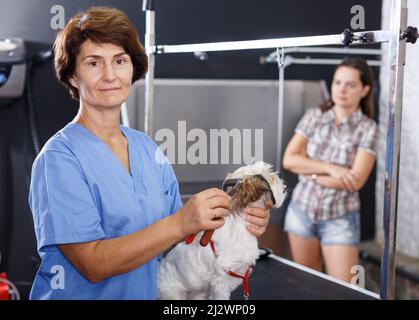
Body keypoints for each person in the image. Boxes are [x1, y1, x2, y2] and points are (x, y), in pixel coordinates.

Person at [28, 7, 272, 300]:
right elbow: (92, 263)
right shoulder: (59, 159)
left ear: (133, 68)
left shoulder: (145, 148)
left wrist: (236, 221)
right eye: (93, 62)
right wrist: (181, 222)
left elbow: (176, 235)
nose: (109, 75)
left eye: (119, 60)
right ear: (71, 75)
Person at [282, 57, 377, 282]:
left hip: (339, 220)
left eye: (350, 85)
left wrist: (308, 172)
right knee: (306, 285)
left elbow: (355, 181)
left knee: (343, 291)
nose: (342, 90)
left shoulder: (368, 129)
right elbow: (289, 160)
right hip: (301, 213)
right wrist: (333, 170)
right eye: (337, 82)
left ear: (365, 90)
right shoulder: (314, 116)